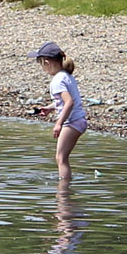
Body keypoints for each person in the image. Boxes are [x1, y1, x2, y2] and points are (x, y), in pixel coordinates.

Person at [29, 41, 87, 181]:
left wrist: (58, 123)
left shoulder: (57, 81)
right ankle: (65, 186)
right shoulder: (66, 76)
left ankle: (63, 192)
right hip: (79, 120)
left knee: (61, 158)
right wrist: (50, 108)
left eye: (41, 64)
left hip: (72, 122)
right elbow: (65, 101)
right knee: (62, 157)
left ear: (47, 63)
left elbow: (69, 102)